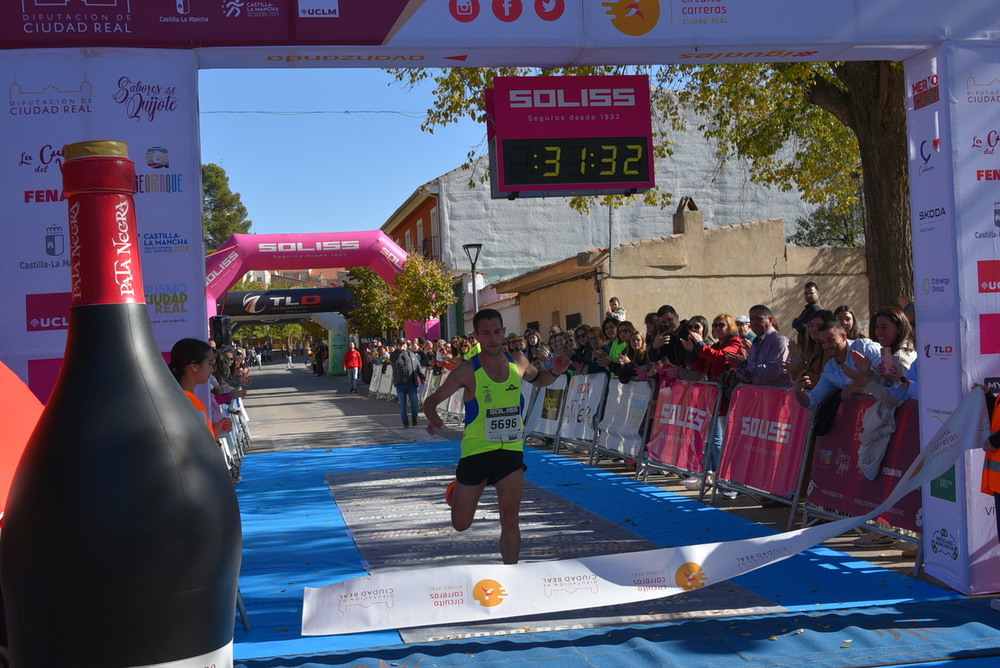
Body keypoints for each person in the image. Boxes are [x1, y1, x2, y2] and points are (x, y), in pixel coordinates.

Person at [423, 308, 571, 564]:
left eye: (497, 332)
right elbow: (431, 401)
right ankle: (456, 491)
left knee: (511, 518)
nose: (493, 338)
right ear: (477, 336)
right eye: (486, 333)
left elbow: (541, 380)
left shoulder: (520, 362)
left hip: (511, 451)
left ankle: (511, 577)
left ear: (503, 332)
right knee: (461, 524)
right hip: (476, 452)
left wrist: (556, 371)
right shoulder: (467, 371)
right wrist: (433, 416)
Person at [793, 319, 882, 409]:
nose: (827, 346)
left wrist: (862, 379)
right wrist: (798, 392)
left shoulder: (865, 348)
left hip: (889, 411)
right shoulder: (830, 369)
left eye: (830, 340)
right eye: (823, 342)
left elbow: (888, 377)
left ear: (843, 337)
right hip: (868, 416)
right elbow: (812, 400)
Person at [168, 338, 232, 440]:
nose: (211, 370)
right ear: (194, 366)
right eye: (210, 364)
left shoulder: (180, 398)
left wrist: (214, 432)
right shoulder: (188, 403)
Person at [727, 305, 792, 387]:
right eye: (752, 319)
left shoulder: (779, 341)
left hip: (777, 395)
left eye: (758, 319)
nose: (754, 323)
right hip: (760, 394)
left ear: (770, 320)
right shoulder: (756, 342)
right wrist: (740, 366)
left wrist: (746, 364)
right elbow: (751, 376)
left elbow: (774, 372)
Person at [390, 338, 424, 428]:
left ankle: (414, 418)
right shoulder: (394, 355)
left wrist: (422, 376)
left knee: (414, 402)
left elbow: (418, 366)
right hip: (400, 384)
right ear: (397, 345)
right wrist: (400, 352)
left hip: (411, 383)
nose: (402, 346)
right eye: (400, 344)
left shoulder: (412, 355)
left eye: (404, 344)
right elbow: (395, 361)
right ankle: (405, 422)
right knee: (402, 404)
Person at [792, 281, 822, 349]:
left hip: (809, 347)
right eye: (806, 293)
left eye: (811, 293)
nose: (808, 296)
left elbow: (797, 325)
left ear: (818, 294)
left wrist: (796, 321)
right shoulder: (809, 308)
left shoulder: (813, 308)